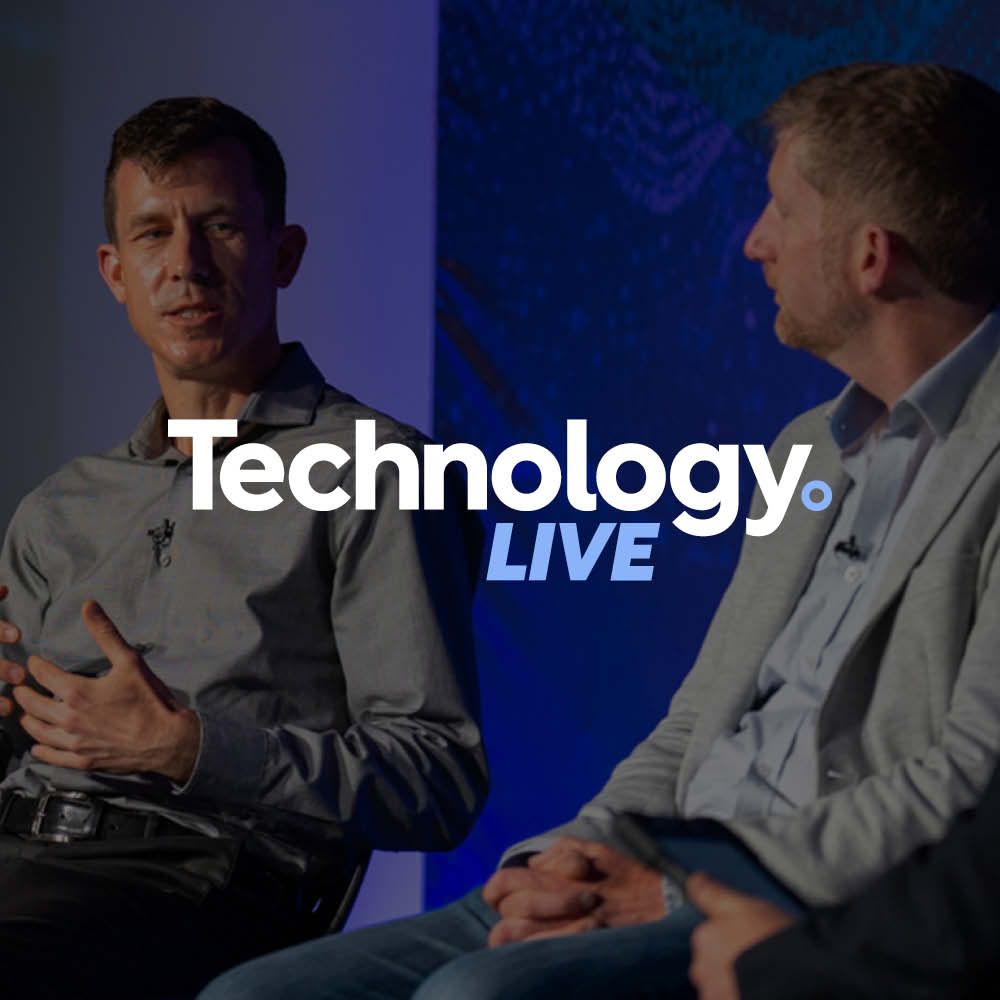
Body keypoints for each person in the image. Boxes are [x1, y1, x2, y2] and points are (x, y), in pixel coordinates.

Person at [199, 61, 1000, 1000]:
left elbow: (970, 784)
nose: (754, 243)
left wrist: (671, 886)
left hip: (806, 904)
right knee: (250, 999)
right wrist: (575, 855)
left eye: (782, 209)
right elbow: (697, 722)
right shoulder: (808, 452)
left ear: (871, 256)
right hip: (652, 873)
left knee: (474, 998)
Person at [0, 97, 487, 998]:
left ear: (284, 253)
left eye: (218, 226)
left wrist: (191, 748)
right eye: (152, 234)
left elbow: (438, 776)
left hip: (194, 888)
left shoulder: (379, 471)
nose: (184, 266)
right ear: (115, 271)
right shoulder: (59, 507)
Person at [687, 758, 1000, 999]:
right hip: (689, 846)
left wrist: (779, 965)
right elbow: (679, 734)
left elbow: (963, 775)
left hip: (776, 872)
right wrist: (639, 837)